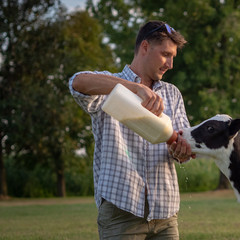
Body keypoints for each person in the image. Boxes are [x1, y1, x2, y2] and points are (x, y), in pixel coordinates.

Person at [69, 20, 193, 239]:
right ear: (145, 47)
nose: (170, 64)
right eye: (165, 54)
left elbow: (184, 146)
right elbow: (77, 83)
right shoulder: (109, 85)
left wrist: (181, 151)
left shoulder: (172, 94)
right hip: (121, 211)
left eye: (173, 56)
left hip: (165, 214)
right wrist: (135, 89)